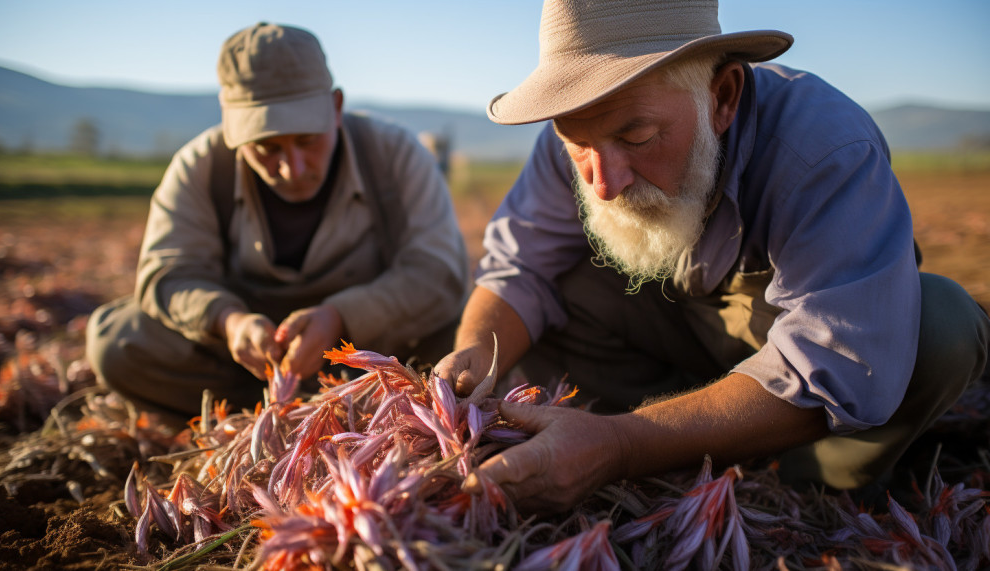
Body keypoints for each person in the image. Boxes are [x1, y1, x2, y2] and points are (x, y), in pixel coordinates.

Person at [434, 0, 990, 514]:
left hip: (777, 340)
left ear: (722, 97)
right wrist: (475, 350)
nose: (603, 184)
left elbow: (835, 358)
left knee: (940, 326)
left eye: (638, 136)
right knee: (543, 298)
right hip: (674, 335)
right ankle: (661, 435)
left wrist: (624, 446)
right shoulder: (587, 130)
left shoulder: (826, 151)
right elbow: (519, 267)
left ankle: (806, 479)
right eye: (578, 146)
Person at [87, 23, 469, 421]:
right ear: (232, 125)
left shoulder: (395, 155)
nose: (291, 168)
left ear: (336, 108)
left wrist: (340, 317)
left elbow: (438, 273)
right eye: (266, 148)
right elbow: (166, 274)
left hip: (371, 355)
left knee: (467, 344)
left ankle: (352, 405)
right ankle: (271, 414)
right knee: (116, 342)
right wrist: (228, 320)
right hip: (246, 364)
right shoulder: (200, 166)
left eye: (308, 140)